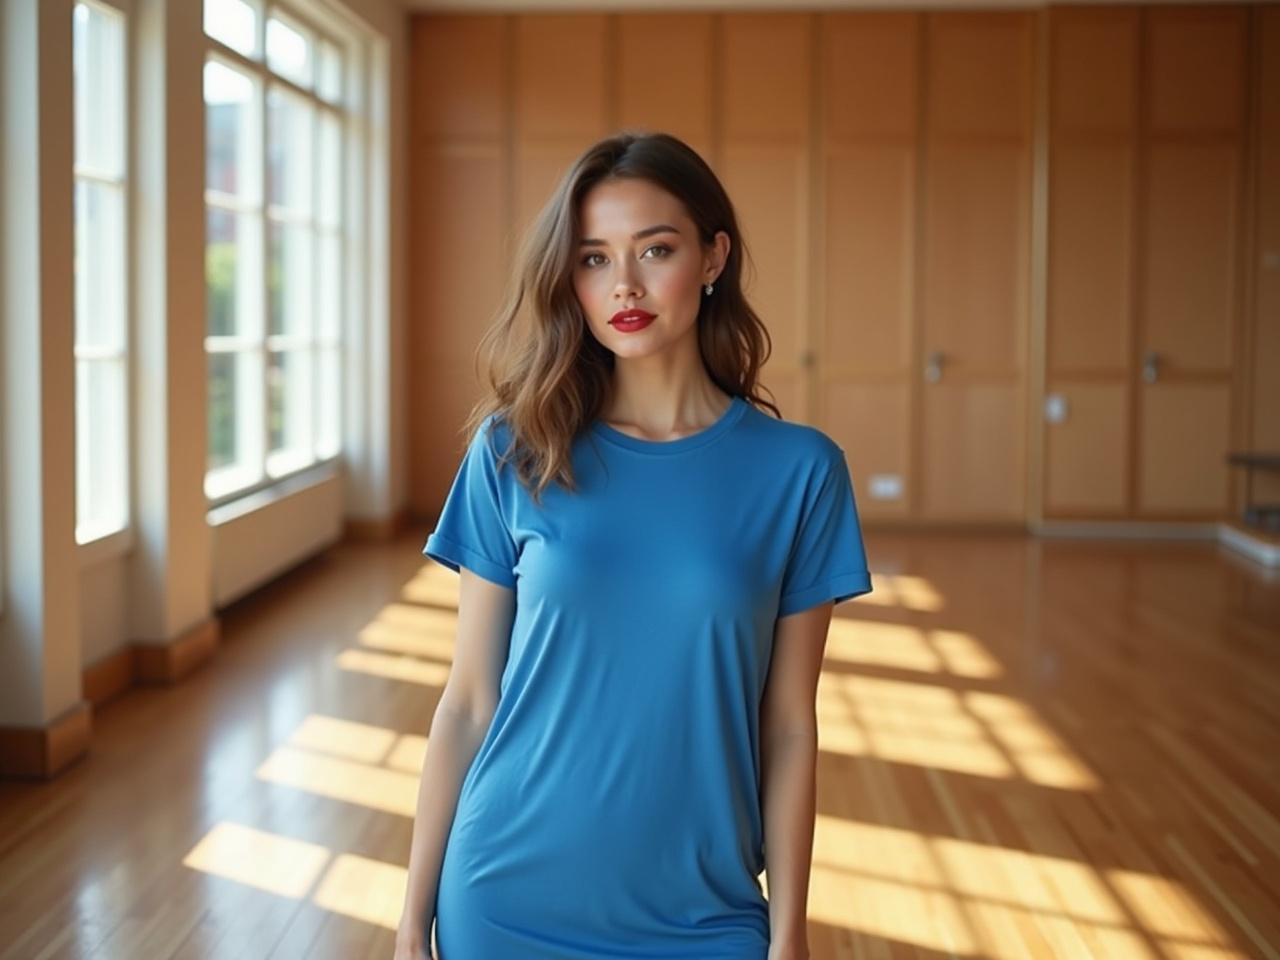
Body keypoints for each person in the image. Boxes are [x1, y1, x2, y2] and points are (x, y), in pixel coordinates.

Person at [393, 131, 872, 960]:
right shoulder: (516, 450)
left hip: (706, 909)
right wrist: (409, 924)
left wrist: (789, 930)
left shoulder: (801, 473)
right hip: (506, 892)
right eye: (592, 259)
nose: (624, 285)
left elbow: (790, 724)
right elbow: (469, 699)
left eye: (655, 249)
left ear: (713, 256)